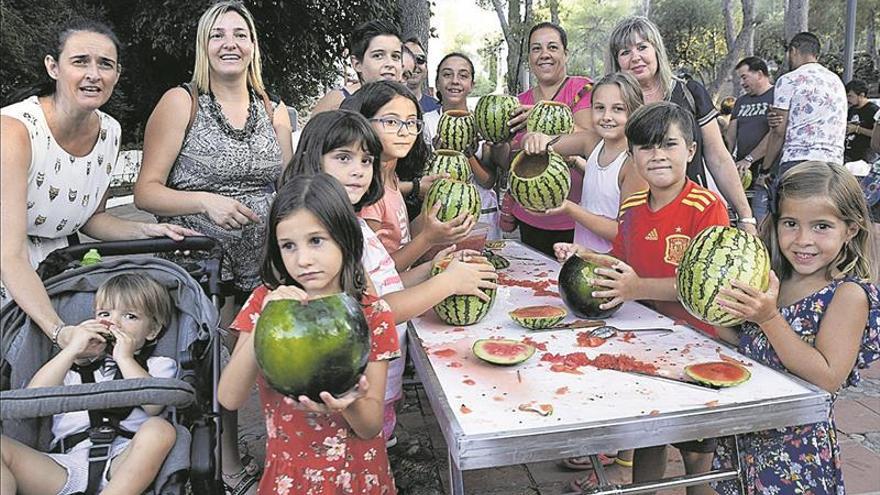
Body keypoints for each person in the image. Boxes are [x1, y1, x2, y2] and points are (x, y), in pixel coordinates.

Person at [133, 3, 293, 491]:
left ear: (252, 45)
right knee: (204, 369)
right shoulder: (181, 101)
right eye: (217, 34)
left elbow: (286, 186)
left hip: (260, 265)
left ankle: (268, 457)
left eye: (239, 34)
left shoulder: (274, 109)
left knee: (251, 366)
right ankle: (208, 466)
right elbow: (146, 190)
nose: (229, 43)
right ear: (204, 46)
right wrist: (206, 200)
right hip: (197, 265)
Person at [281, 109, 497, 444]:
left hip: (381, 377)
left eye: (366, 161)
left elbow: (385, 285)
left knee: (380, 444)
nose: (358, 170)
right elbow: (376, 311)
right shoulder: (326, 238)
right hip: (352, 392)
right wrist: (448, 283)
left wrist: (434, 267)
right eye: (343, 158)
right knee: (358, 455)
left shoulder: (354, 226)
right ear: (311, 159)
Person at [555, 102, 729, 494]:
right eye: (646, 148)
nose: (658, 156)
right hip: (645, 341)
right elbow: (625, 263)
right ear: (632, 156)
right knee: (648, 430)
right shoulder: (632, 208)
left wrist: (637, 289)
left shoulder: (706, 208)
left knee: (695, 450)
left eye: (668, 144)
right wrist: (590, 260)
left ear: (690, 150)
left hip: (697, 344)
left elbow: (708, 285)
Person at [0, 20, 196, 351]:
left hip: (54, 264)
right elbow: (11, 254)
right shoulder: (14, 132)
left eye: (105, 64)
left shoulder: (109, 132)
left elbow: (91, 217)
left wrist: (148, 232)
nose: (94, 74)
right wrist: (59, 331)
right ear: (53, 67)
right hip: (10, 264)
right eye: (80, 61)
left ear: (117, 74)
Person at [218, 174, 401, 493]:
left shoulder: (372, 314)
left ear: (345, 238)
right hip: (293, 475)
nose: (303, 260)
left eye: (316, 240)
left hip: (356, 472)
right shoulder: (264, 303)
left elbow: (371, 426)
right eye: (288, 246)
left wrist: (346, 403)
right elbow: (229, 397)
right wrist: (265, 320)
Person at [712, 161, 880, 493]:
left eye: (821, 226)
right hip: (747, 436)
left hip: (795, 454)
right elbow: (753, 343)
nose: (803, 240)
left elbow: (827, 375)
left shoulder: (846, 296)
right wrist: (717, 316)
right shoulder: (774, 278)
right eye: (791, 223)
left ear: (851, 229)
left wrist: (770, 318)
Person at [0, 273, 178, 495]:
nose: (113, 322)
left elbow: (154, 406)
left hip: (124, 461)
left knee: (160, 429)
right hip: (65, 465)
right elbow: (31, 401)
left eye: (130, 316)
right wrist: (72, 350)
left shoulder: (157, 365)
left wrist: (125, 358)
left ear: (152, 331)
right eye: (104, 314)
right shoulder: (68, 368)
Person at [607, 16, 756, 233]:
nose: (635, 57)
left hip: (693, 216)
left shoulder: (689, 92)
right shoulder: (614, 105)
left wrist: (746, 216)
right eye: (625, 52)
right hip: (639, 220)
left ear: (656, 49)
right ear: (616, 61)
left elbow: (718, 157)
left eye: (642, 47)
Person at [342, 80, 475, 271]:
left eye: (411, 122)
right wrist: (428, 239)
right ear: (364, 123)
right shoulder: (368, 193)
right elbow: (376, 272)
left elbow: (401, 238)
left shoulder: (392, 178)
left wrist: (431, 214)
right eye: (391, 121)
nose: (404, 131)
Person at [523, 72, 647, 254]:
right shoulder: (592, 142)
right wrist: (534, 138)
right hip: (582, 258)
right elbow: (546, 142)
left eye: (618, 109)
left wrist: (570, 208)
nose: (606, 116)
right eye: (599, 108)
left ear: (635, 112)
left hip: (612, 267)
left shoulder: (634, 164)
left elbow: (623, 231)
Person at [502, 22, 594, 257]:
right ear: (529, 58)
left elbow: (589, 137)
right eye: (536, 49)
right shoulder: (517, 101)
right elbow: (509, 159)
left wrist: (542, 114)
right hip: (529, 216)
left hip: (574, 218)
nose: (544, 54)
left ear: (565, 53)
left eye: (552, 47)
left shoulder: (581, 88)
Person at [424, 52, 503, 238]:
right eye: (447, 74)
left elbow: (488, 181)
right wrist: (438, 155)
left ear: (471, 85)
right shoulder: (426, 122)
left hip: (482, 216)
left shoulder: (484, 122)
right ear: (437, 82)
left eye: (463, 75)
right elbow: (423, 179)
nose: (455, 81)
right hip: (440, 217)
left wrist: (467, 154)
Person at [765, 32, 847, 175]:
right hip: (834, 164)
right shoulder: (836, 81)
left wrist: (765, 169)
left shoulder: (789, 80)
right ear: (817, 55)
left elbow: (778, 132)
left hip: (798, 160)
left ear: (793, 50)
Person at [311, 20, 403, 114]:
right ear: (357, 64)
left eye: (395, 56)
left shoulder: (406, 104)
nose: (390, 63)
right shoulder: (336, 103)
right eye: (378, 56)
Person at [728, 57, 776, 222]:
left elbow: (776, 133)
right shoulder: (741, 102)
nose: (742, 83)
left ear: (760, 74)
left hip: (766, 170)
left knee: (762, 218)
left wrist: (749, 159)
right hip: (742, 173)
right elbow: (731, 135)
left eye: (744, 77)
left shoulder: (776, 96)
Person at [845, 79, 879, 163]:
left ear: (861, 95)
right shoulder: (852, 109)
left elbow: (876, 135)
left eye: (850, 96)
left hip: (864, 156)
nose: (848, 99)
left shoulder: (873, 110)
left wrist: (857, 129)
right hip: (849, 151)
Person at [404, 38, 441, 113]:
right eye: (408, 58)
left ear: (426, 68)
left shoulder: (437, 109)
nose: (414, 64)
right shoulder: (384, 105)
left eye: (420, 59)